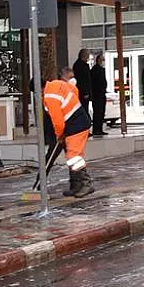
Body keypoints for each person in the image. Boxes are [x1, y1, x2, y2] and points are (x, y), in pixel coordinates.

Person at [43, 66, 94, 198]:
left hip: (76, 125)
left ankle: (86, 184)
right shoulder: (57, 84)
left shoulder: (49, 96)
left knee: (74, 157)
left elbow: (58, 121)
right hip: (78, 122)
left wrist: (59, 135)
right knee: (72, 156)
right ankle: (75, 185)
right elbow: (74, 90)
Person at [89, 50, 108, 136]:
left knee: (101, 112)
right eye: (102, 60)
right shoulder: (96, 70)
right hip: (98, 95)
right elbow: (96, 82)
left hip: (101, 94)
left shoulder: (100, 69)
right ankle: (96, 129)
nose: (103, 61)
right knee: (98, 112)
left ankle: (99, 129)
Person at [72, 48, 92, 127]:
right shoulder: (79, 65)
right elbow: (81, 80)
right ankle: (84, 127)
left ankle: (86, 127)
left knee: (85, 109)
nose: (88, 57)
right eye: (87, 55)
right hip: (83, 93)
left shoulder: (82, 65)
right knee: (84, 110)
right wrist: (85, 92)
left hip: (84, 92)